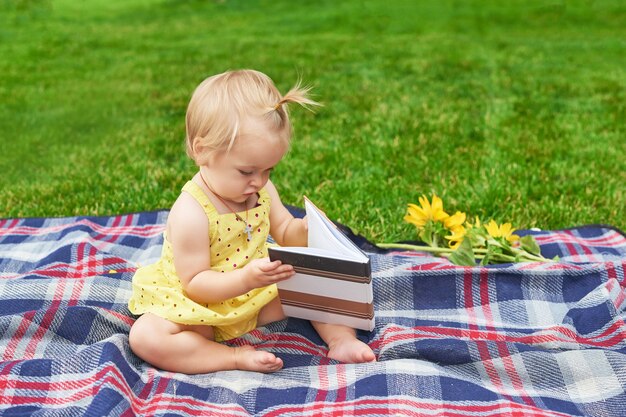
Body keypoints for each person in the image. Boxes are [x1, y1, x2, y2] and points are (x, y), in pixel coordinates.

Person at [128, 69, 376, 373]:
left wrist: (306, 229)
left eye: (269, 169)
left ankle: (341, 340)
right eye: (246, 172)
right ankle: (231, 358)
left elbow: (285, 230)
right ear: (201, 151)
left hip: (255, 294)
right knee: (146, 337)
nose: (259, 181)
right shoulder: (191, 212)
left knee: (319, 285)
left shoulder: (260, 188)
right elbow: (195, 284)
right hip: (198, 306)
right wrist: (246, 278)